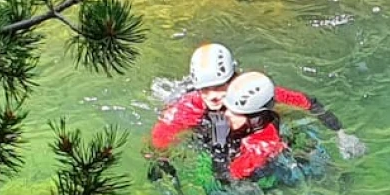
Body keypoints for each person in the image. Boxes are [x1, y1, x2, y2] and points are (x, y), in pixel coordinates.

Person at [150, 43, 365, 158]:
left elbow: (308, 102)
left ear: (234, 78)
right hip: (213, 140)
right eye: (205, 89)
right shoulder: (190, 106)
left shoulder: (251, 91)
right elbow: (159, 140)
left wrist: (340, 133)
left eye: (219, 86)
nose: (212, 96)